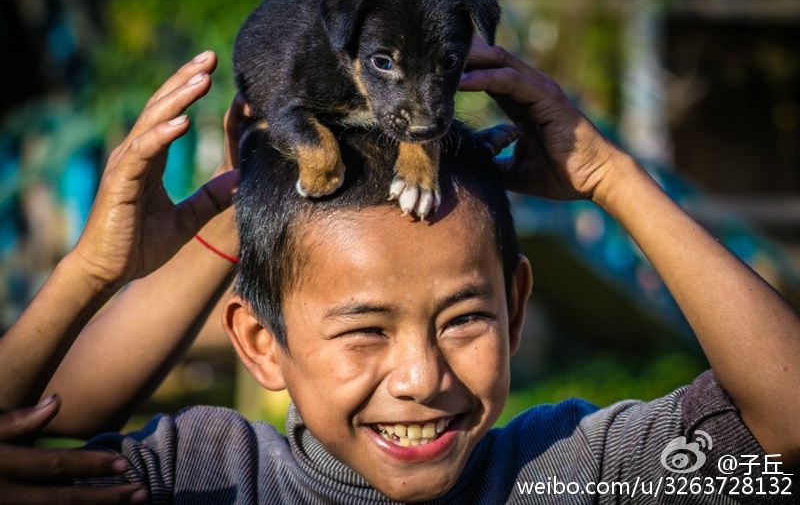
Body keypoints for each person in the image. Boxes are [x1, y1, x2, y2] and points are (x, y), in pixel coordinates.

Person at [1, 38, 799, 503]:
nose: (420, 376)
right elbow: (31, 427)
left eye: (462, 318)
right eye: (364, 329)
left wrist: (610, 176)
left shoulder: (571, 471)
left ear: (515, 306)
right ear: (259, 341)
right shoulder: (210, 476)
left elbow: (788, 425)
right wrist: (96, 269)